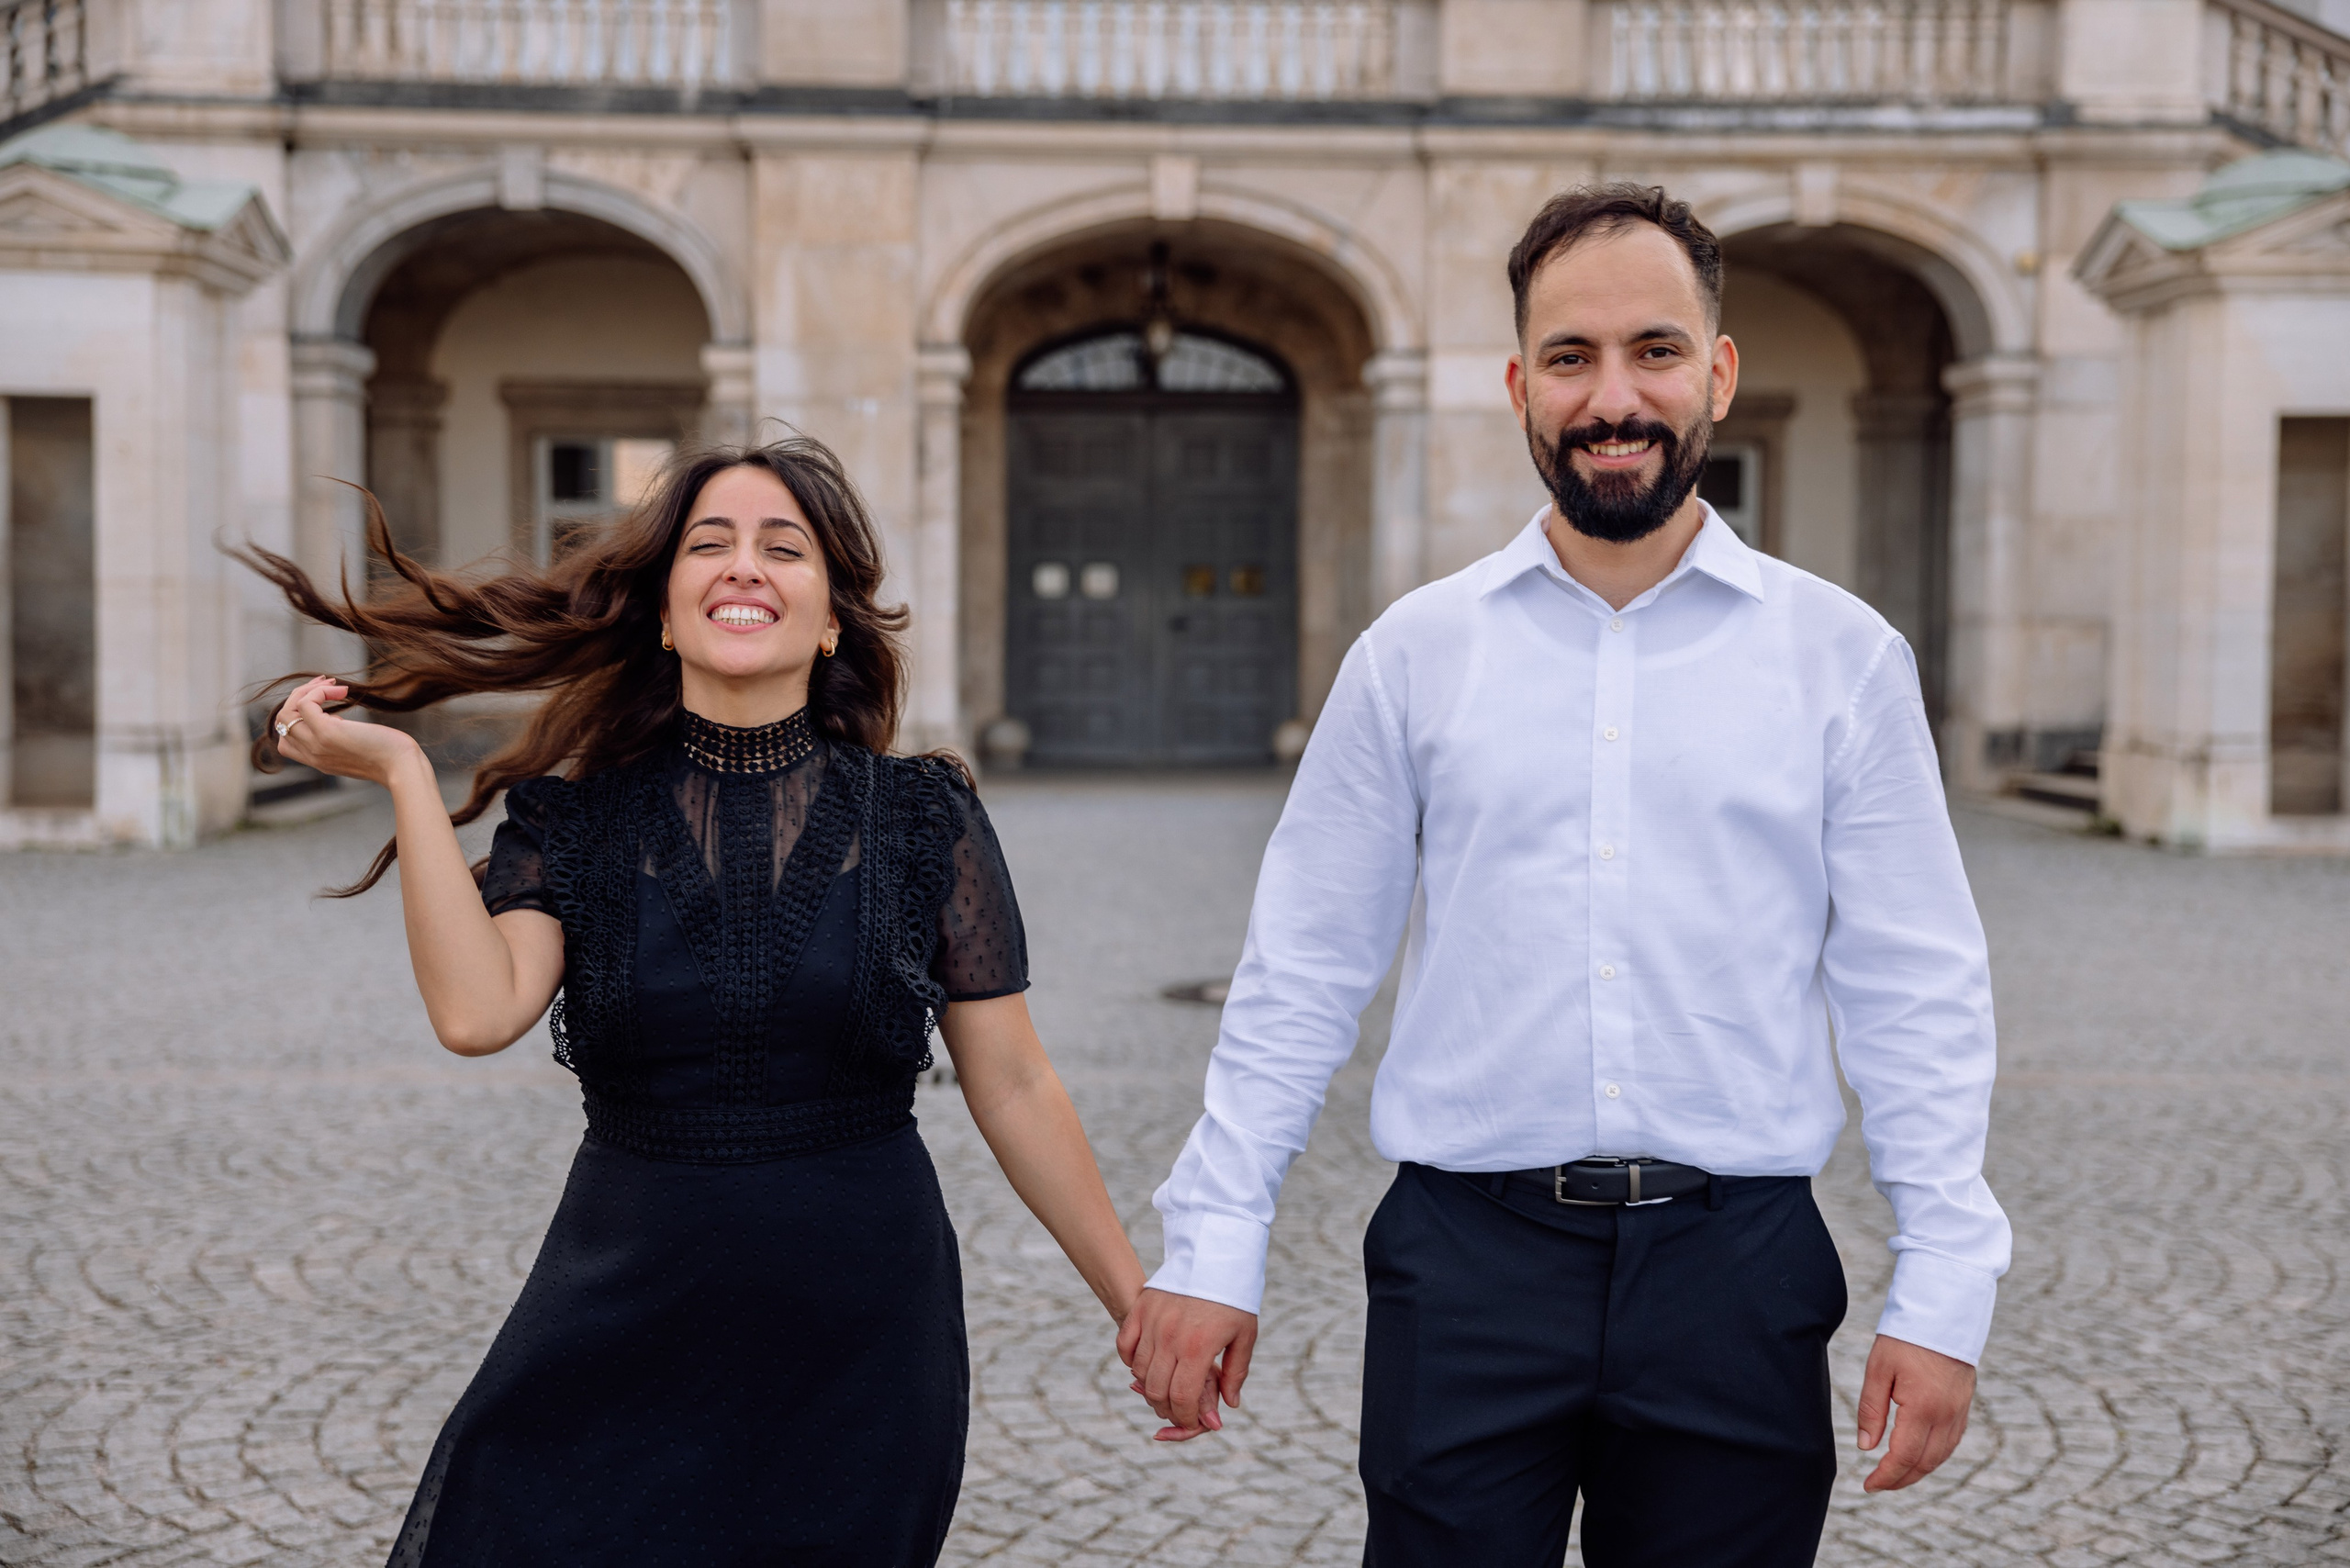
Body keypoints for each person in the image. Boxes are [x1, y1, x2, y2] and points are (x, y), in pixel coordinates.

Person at [1117, 184, 2010, 1565]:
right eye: (1572, 358)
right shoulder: (1413, 656)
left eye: (1655, 351)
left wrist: (1944, 1285)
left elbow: (1915, 985)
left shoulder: (1841, 659)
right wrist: (1212, 1244)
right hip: (1464, 1267)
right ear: (1520, 386)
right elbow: (1302, 968)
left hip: (1738, 1273)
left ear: (1718, 373)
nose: (1614, 399)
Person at [245, 437, 1146, 1567]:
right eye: (709, 544)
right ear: (666, 615)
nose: (744, 566)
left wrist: (1136, 1302)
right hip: (617, 1312)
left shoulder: (924, 817)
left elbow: (1011, 1082)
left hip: (861, 1342)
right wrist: (403, 776)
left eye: (784, 547)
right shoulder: (571, 822)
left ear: (831, 619)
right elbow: (476, 1013)